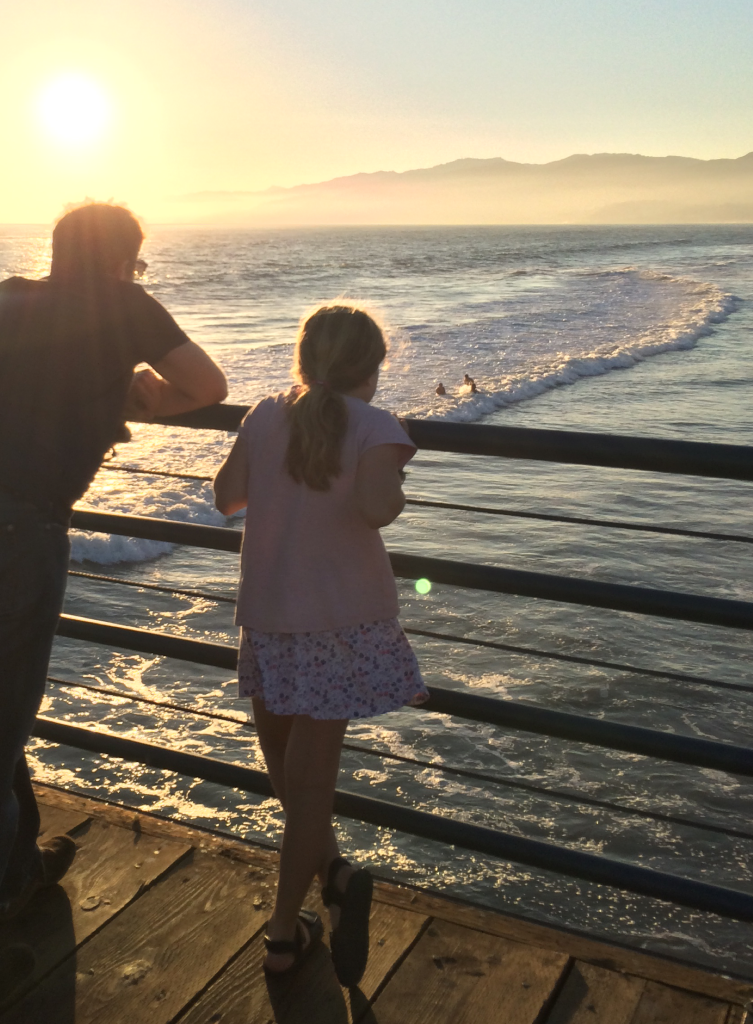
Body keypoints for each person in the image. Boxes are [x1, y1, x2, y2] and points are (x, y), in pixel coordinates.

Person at [0, 201, 228, 1024]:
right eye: (136, 269)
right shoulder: (119, 305)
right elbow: (207, 385)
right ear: (120, 264)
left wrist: (104, 395)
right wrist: (138, 399)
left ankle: (10, 877)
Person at [213, 304, 426, 987]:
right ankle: (283, 932)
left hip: (270, 617)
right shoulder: (375, 427)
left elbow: (226, 499)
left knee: (286, 773)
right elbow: (376, 510)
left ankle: (333, 879)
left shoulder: (265, 414)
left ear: (303, 358)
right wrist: (392, 478)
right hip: (340, 622)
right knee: (309, 785)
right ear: (372, 366)